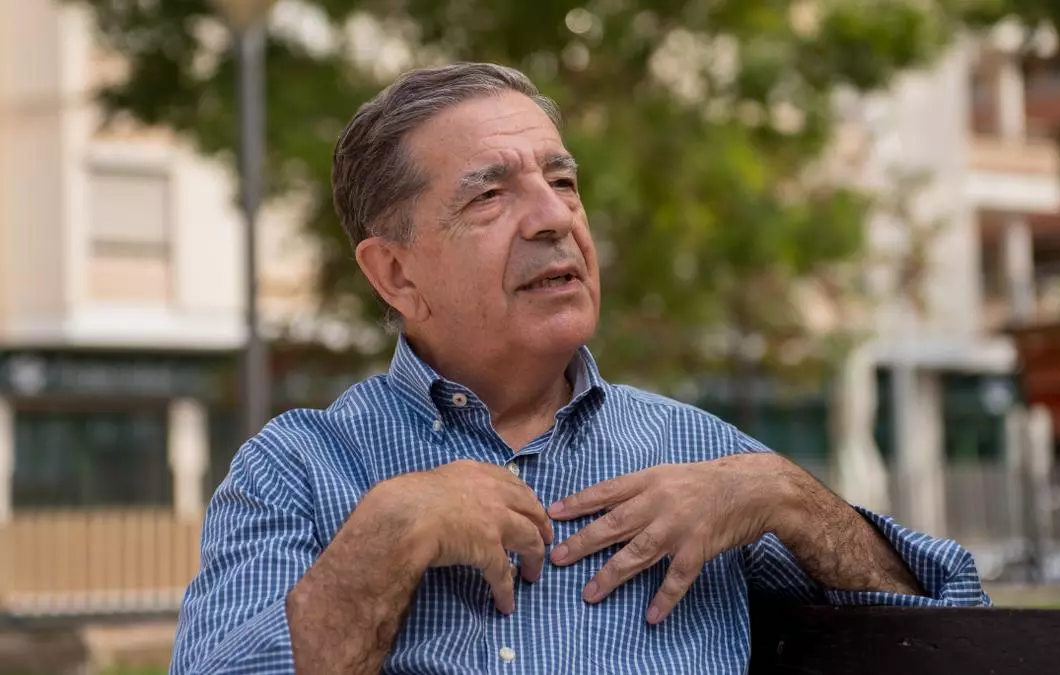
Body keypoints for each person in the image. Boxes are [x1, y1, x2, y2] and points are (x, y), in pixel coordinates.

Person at [170, 62, 989, 675]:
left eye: (563, 181)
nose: (554, 216)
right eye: (490, 196)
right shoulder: (297, 470)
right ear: (395, 273)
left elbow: (962, 635)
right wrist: (386, 537)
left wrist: (789, 498)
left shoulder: (700, 457)